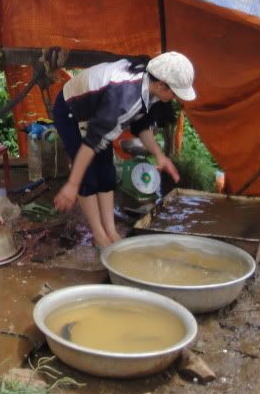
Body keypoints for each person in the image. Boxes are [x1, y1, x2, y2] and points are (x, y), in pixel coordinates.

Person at [52, 52, 196, 248]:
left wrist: (159, 156)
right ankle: (99, 235)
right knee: (88, 178)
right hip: (71, 110)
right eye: (176, 92)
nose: (177, 98)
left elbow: (141, 126)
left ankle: (110, 231)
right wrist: (72, 184)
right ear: (162, 85)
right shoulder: (125, 98)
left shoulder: (150, 89)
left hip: (98, 111)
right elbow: (91, 144)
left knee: (107, 174)